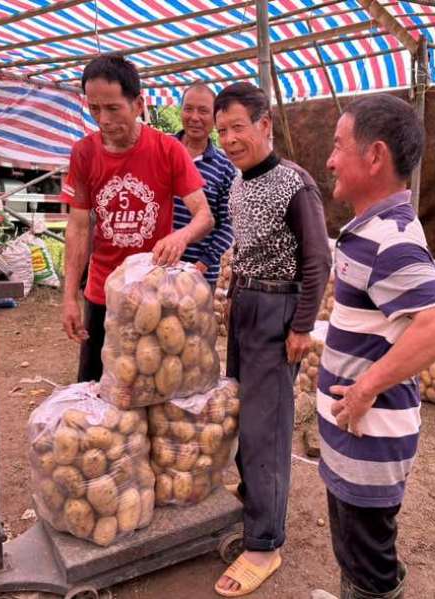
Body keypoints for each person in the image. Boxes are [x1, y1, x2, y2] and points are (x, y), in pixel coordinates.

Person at [316, 94, 435, 599]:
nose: (331, 159)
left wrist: (365, 389)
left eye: (339, 147)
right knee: (353, 549)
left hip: (370, 440)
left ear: (375, 156)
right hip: (355, 438)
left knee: (370, 563)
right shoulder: (370, 230)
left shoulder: (393, 238)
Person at [213, 82, 332, 597]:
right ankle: (252, 505)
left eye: (238, 126)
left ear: (264, 124)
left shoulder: (294, 184)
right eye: (223, 131)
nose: (230, 139)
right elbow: (243, 246)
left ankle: (265, 543)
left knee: (268, 426)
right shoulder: (239, 184)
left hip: (277, 310)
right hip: (245, 306)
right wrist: (229, 292)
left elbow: (317, 259)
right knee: (244, 412)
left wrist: (302, 325)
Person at [60, 55, 214, 381]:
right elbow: (78, 227)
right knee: (96, 390)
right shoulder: (83, 153)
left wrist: (181, 236)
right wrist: (70, 296)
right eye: (94, 109)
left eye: (113, 108)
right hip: (102, 294)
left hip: (153, 295)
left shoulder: (167, 150)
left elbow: (204, 217)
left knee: (152, 387)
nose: (103, 119)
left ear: (138, 103)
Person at [172, 82, 236, 287]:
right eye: (188, 109)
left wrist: (204, 262)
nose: (194, 117)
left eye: (203, 111)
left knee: (193, 318)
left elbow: (229, 223)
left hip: (199, 273)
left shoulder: (225, 167)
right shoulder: (163, 150)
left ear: (215, 117)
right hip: (157, 265)